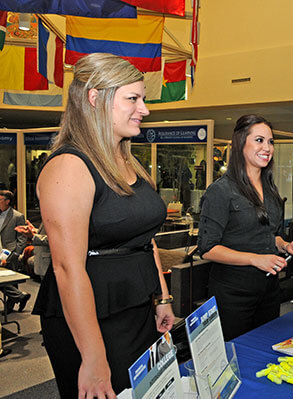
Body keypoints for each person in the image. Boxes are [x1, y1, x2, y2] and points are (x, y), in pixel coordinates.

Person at [32, 53, 175, 398]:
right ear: (95, 98)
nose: (145, 109)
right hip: (90, 318)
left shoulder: (127, 159)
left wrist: (162, 298)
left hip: (138, 307)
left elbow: (145, 240)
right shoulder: (69, 166)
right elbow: (67, 268)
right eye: (133, 98)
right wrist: (93, 356)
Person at [197, 114, 293, 341]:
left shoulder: (271, 189)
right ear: (240, 143)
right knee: (235, 356)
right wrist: (254, 259)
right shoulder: (221, 191)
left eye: (270, 141)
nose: (267, 147)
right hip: (233, 293)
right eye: (259, 140)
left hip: (268, 290)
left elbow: (270, 235)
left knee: (264, 351)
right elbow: (207, 248)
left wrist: (286, 245)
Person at [0, 190, 31, 313]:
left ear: (7, 202)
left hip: (10, 251)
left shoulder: (17, 216)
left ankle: (10, 306)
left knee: (11, 278)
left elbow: (22, 237)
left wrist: (16, 253)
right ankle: (20, 296)